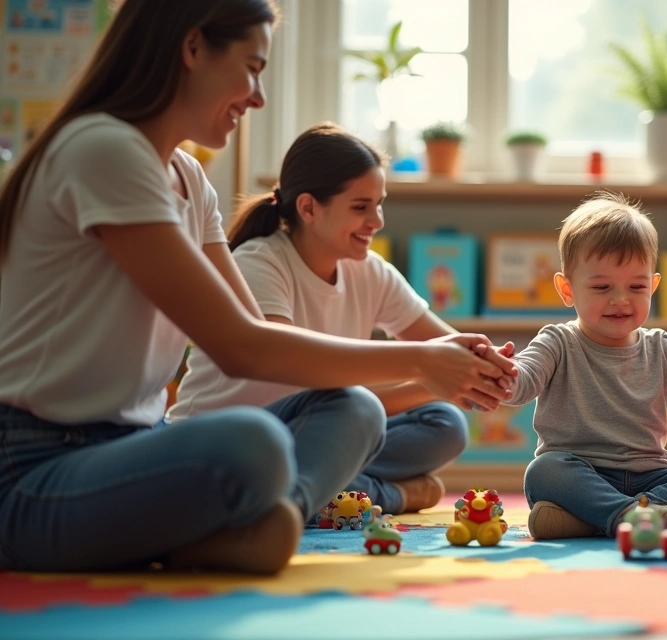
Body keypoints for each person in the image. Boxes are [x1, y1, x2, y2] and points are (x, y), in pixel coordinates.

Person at [0, 0, 513, 575]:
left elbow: (263, 347)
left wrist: (443, 362)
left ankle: (272, 521)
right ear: (193, 48)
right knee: (251, 442)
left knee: (354, 407)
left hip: (132, 448)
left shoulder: (190, 179)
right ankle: (238, 526)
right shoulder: (102, 149)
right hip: (34, 468)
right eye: (252, 67)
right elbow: (242, 347)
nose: (258, 97)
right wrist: (421, 363)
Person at [169, 123, 478, 515]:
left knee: (444, 422)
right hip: (236, 437)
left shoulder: (370, 270)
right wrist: (431, 373)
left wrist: (484, 366)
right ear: (309, 208)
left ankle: (326, 487)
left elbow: (449, 344)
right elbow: (307, 387)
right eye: (361, 207)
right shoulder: (259, 264)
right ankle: (380, 494)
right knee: (353, 406)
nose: (377, 220)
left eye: (379, 203)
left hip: (323, 428)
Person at [506, 193, 667, 540]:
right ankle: (632, 516)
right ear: (567, 290)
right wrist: (503, 373)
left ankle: (599, 519)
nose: (620, 299)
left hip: (651, 478)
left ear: (653, 286)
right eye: (601, 287)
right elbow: (523, 380)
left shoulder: (661, 347)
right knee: (544, 471)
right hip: (581, 474)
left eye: (636, 286)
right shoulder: (557, 342)